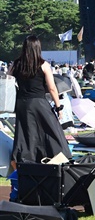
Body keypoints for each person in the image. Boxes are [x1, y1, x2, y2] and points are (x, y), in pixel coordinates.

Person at [8, 35, 72, 164]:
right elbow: (52, 88)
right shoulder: (43, 65)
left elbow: (8, 81)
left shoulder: (16, 64)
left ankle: (25, 159)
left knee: (26, 133)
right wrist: (58, 107)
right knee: (52, 131)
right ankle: (56, 157)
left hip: (22, 102)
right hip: (38, 101)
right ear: (38, 48)